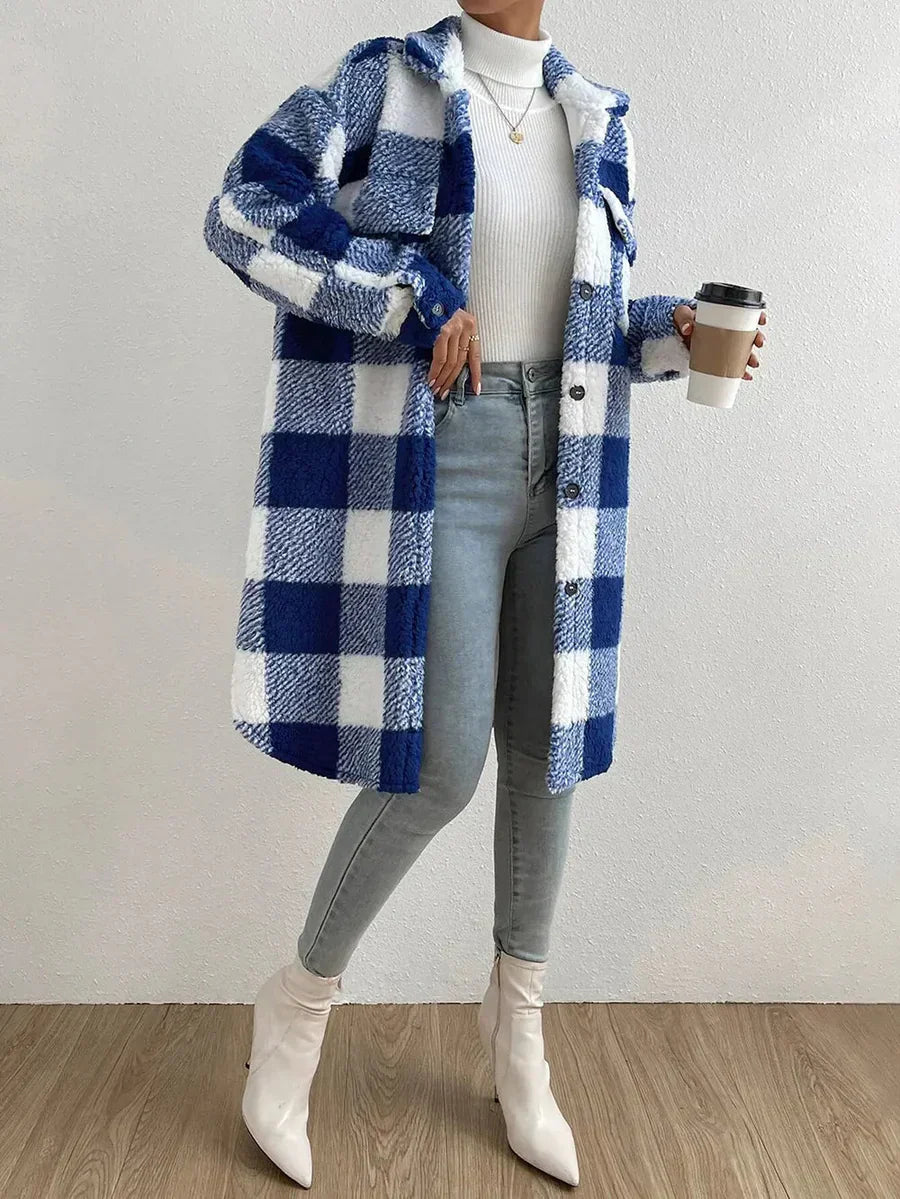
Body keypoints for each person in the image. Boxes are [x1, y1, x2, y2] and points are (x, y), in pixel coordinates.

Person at [203, 1, 765, 1189]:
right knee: (441, 766)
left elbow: (584, 326)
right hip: (438, 455)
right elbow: (242, 208)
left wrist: (679, 334)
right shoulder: (385, 80)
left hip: (569, 460)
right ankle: (298, 1003)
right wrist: (405, 282)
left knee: (546, 753)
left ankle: (518, 1032)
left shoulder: (597, 117)